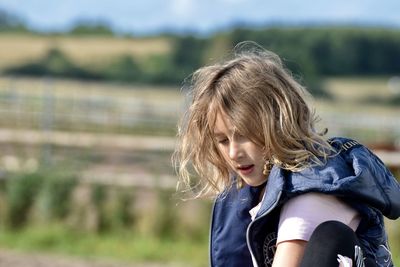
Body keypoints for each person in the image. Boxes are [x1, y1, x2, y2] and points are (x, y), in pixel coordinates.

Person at [173, 42, 400, 267]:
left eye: (245, 135)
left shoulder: (312, 191)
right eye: (222, 140)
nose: (233, 152)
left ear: (279, 123)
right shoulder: (254, 192)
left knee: (330, 238)